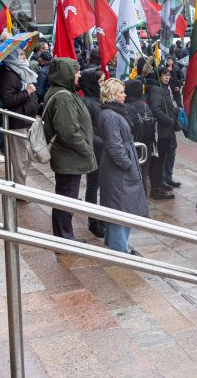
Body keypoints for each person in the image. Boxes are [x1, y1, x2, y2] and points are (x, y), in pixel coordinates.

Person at [42, 57, 97, 240]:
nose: (79, 74)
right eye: (76, 71)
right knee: (66, 199)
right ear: (66, 73)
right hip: (69, 157)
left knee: (65, 197)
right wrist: (86, 148)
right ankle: (65, 238)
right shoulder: (64, 97)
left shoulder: (63, 91)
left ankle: (64, 235)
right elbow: (68, 132)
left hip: (68, 156)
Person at [96, 78, 148, 255]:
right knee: (121, 207)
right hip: (117, 168)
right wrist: (128, 164)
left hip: (119, 166)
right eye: (121, 92)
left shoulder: (112, 112)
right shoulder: (110, 115)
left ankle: (116, 244)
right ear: (112, 94)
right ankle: (120, 249)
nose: (125, 95)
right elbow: (115, 146)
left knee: (119, 205)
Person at [0, 48, 39, 186]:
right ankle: (20, 189)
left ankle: (20, 184)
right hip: (18, 121)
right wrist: (27, 91)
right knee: (21, 158)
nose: (24, 57)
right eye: (20, 54)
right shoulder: (8, 74)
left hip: (27, 118)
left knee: (28, 155)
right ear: (12, 56)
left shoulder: (20, 71)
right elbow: (8, 100)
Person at [78, 68, 106, 238]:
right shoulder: (86, 103)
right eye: (101, 81)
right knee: (93, 186)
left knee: (101, 185)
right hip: (96, 151)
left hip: (103, 150)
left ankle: (101, 218)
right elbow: (87, 132)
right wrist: (102, 141)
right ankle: (93, 221)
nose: (103, 84)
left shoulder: (98, 99)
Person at [146, 66, 179, 199]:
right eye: (164, 75)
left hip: (166, 131)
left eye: (168, 75)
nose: (167, 77)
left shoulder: (165, 88)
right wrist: (169, 120)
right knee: (158, 162)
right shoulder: (156, 89)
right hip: (160, 131)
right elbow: (155, 108)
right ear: (158, 76)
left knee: (161, 160)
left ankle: (159, 185)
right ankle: (156, 190)